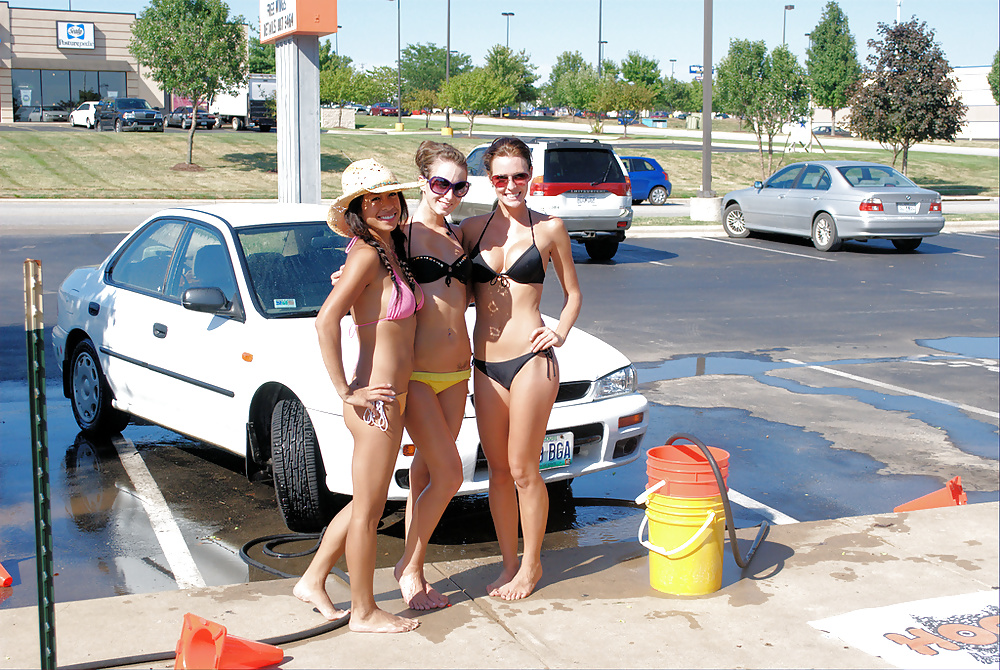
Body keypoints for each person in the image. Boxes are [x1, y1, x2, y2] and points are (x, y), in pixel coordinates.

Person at [293, 159, 421, 633]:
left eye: (391, 197)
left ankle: (312, 579)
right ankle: (364, 612)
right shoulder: (366, 253)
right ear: (355, 210)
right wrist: (346, 390)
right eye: (373, 200)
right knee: (369, 511)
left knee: (367, 500)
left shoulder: (390, 249)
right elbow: (326, 320)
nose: (386, 206)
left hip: (395, 397)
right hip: (376, 403)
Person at [460, 136, 582, 600]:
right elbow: (423, 261)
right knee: (496, 472)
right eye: (501, 177)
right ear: (488, 180)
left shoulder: (550, 229)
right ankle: (509, 563)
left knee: (523, 468)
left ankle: (531, 566)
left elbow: (573, 294)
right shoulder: (471, 230)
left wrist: (561, 331)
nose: (512, 185)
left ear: (531, 176)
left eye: (520, 176)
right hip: (485, 364)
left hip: (532, 361)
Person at [393, 140, 473, 610]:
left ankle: (415, 571)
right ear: (423, 180)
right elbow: (368, 273)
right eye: (441, 183)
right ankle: (407, 566)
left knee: (425, 474)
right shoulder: (401, 234)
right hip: (419, 374)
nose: (449, 194)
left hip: (456, 373)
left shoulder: (457, 235)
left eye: (459, 186)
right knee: (450, 475)